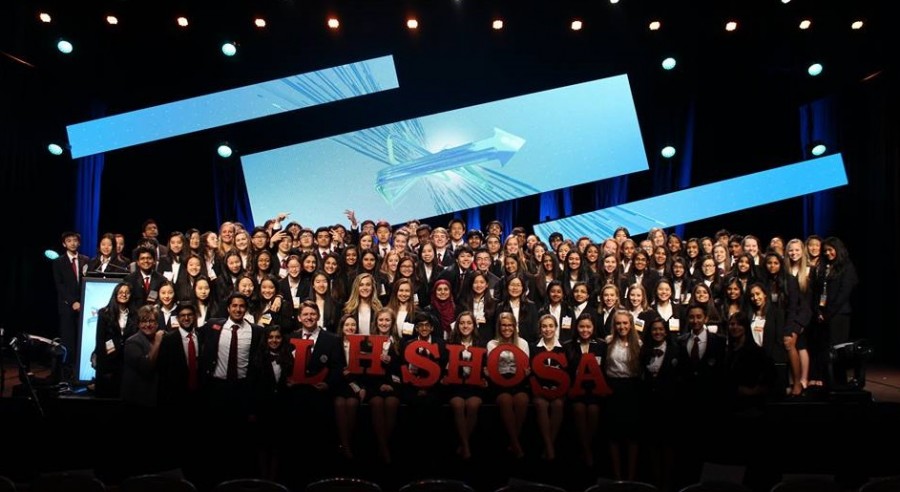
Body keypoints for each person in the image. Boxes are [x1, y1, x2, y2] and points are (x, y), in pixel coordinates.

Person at [812, 237, 859, 388]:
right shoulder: (823, 267)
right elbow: (817, 292)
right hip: (823, 314)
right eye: (825, 251)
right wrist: (818, 311)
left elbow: (843, 294)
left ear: (838, 249)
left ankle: (840, 384)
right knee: (824, 351)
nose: (827, 253)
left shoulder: (847, 267)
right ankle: (828, 383)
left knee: (838, 351)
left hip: (839, 315)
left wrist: (827, 314)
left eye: (830, 250)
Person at [486, 312, 530, 459]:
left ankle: (513, 441)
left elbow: (525, 365)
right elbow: (492, 366)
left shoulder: (523, 343)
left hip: (518, 381)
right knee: (505, 400)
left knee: (522, 400)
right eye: (504, 325)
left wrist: (527, 372)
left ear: (515, 327)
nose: (507, 328)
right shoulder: (492, 344)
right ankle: (516, 444)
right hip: (498, 382)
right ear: (499, 327)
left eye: (510, 325)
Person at [444, 311, 485, 460]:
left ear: (474, 325)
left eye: (468, 323)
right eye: (462, 323)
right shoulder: (450, 344)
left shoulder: (481, 344)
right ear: (457, 326)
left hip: (474, 386)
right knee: (458, 405)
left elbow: (485, 367)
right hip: (456, 386)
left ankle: (463, 445)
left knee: (473, 405)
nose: (465, 326)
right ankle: (466, 446)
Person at [530, 314, 566, 461]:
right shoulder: (533, 348)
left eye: (551, 326)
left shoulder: (563, 348)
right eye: (544, 326)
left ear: (556, 328)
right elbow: (532, 373)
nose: (548, 329)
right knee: (540, 404)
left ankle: (548, 446)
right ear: (540, 329)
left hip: (558, 391)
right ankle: (549, 446)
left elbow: (566, 373)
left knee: (558, 404)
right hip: (540, 390)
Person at [53, 231, 90, 367]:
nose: (72, 243)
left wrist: (82, 301)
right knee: (68, 340)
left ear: (79, 243)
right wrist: (73, 302)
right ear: (64, 244)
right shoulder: (58, 262)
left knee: (82, 338)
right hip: (67, 305)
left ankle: (81, 368)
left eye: (75, 240)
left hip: (84, 305)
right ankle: (67, 371)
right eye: (69, 241)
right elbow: (60, 285)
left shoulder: (86, 260)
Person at [94, 282, 137, 397]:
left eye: (127, 293)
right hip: (108, 360)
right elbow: (100, 340)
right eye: (121, 292)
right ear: (116, 294)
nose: (124, 295)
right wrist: (102, 366)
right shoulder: (104, 313)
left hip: (127, 362)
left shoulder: (135, 315)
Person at [121, 304, 164, 408]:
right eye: (144, 321)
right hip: (137, 400)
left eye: (152, 321)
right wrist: (157, 343)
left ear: (157, 324)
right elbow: (146, 367)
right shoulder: (132, 342)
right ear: (139, 324)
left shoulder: (164, 339)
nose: (148, 325)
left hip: (157, 398)